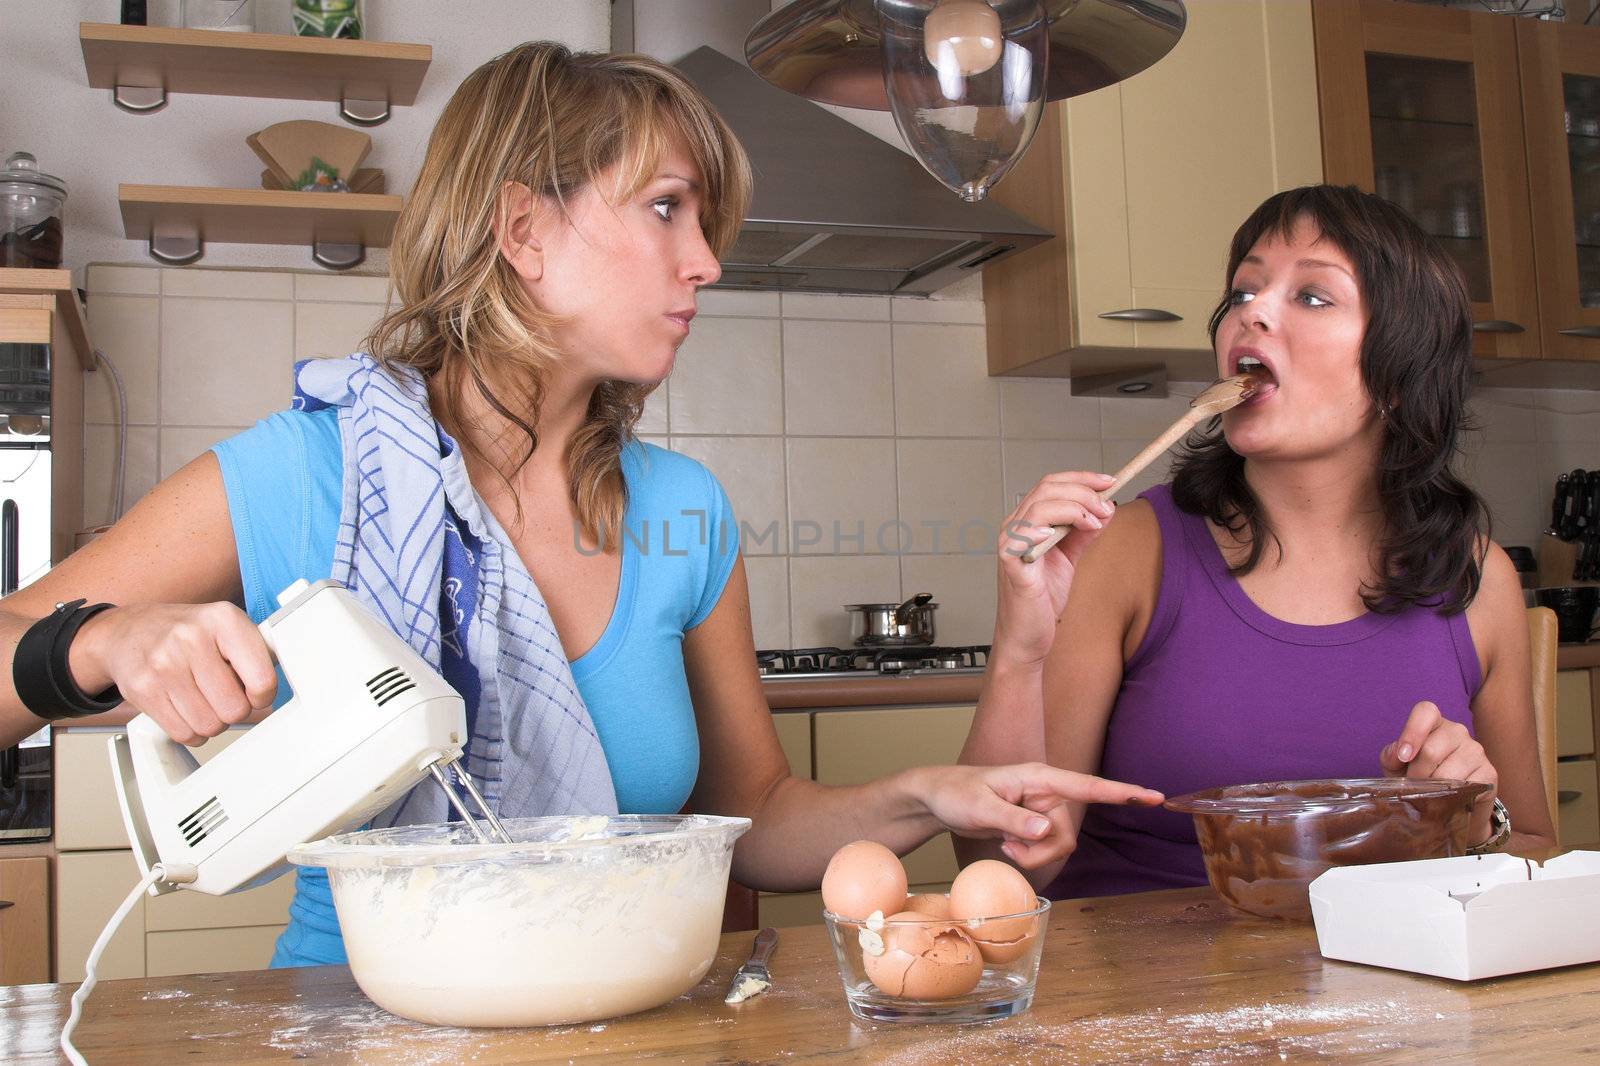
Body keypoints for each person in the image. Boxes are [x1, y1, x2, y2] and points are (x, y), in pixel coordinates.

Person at [0, 43, 1161, 966]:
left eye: (707, 224)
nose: (706, 260)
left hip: (640, 1014)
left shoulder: (684, 513)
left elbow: (748, 816)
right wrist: (100, 639)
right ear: (522, 232)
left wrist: (923, 791)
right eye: (667, 209)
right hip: (357, 1018)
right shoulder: (307, 475)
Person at [958, 183, 1557, 895]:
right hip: (1141, 992)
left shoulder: (1475, 578)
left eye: (1311, 296)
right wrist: (1017, 650)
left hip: (1389, 995)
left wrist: (1471, 820)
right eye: (1244, 291)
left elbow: (1537, 851)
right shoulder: (1128, 551)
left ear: (1400, 371)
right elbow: (998, 872)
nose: (1252, 312)